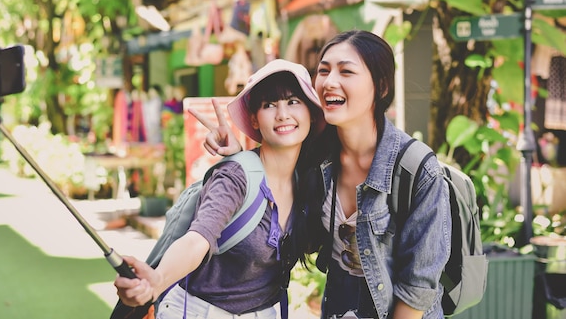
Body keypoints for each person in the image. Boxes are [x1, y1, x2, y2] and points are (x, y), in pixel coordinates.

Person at [193, 30, 452, 319]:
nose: (329, 82)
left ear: (380, 87)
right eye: (324, 71)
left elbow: (418, 289)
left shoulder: (417, 169)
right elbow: (271, 181)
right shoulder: (315, 156)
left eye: (346, 71)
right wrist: (238, 152)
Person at [113, 59, 326, 319]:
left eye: (293, 101)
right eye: (269, 105)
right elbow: (196, 240)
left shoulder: (309, 182)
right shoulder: (234, 177)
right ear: (254, 120)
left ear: (311, 114)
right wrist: (157, 280)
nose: (282, 114)